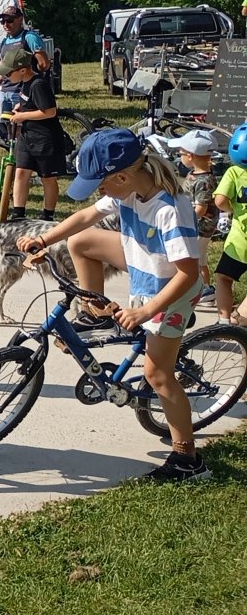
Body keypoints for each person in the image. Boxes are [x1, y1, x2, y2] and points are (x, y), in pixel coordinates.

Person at [21, 128, 209, 482]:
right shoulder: (129, 189)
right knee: (81, 241)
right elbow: (84, 218)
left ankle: (188, 460)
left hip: (171, 290)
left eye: (100, 185)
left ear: (121, 177)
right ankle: (96, 315)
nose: (99, 192)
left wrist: (145, 311)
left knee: (158, 375)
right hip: (145, 263)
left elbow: (187, 273)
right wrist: (43, 239)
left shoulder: (169, 209)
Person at [0, 45, 64, 222]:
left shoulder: (38, 84)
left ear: (22, 70)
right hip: (27, 136)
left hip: (45, 138)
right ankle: (18, 213)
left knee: (48, 178)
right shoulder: (25, 83)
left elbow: (49, 111)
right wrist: (21, 107)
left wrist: (22, 116)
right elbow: (31, 103)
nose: (6, 77)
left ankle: (47, 215)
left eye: (8, 73)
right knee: (21, 172)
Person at [171, 128, 217, 304]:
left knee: (195, 258)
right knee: (199, 258)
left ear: (190, 156)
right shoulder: (195, 175)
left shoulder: (204, 181)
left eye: (180, 153)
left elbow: (201, 209)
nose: (179, 157)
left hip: (201, 227)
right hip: (196, 225)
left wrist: (184, 220)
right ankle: (205, 289)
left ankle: (203, 289)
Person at [212, 123, 247, 324]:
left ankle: (225, 323)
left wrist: (232, 209)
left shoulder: (234, 172)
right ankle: (242, 319)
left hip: (240, 240)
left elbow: (220, 201)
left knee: (224, 278)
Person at [0, 7, 49, 113]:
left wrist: (32, 81)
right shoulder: (4, 41)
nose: (6, 24)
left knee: (23, 122)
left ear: (20, 19)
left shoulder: (29, 37)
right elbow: (3, 71)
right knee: (6, 123)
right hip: (4, 92)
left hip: (23, 92)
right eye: (3, 21)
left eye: (9, 20)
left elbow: (44, 64)